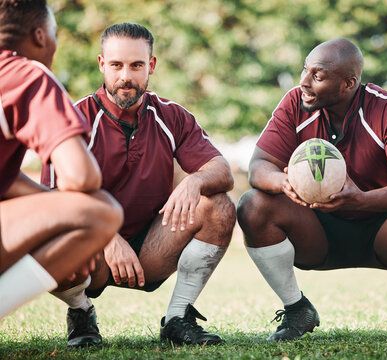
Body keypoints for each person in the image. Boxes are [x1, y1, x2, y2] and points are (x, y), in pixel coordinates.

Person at [42, 23, 236, 347]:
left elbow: (223, 172)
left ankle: (178, 317)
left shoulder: (172, 116)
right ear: (102, 64)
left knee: (218, 206)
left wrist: (195, 182)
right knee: (46, 237)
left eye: (136, 65)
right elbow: (49, 201)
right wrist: (105, 235)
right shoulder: (74, 118)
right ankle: (80, 312)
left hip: (152, 248)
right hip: (93, 252)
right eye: (116, 65)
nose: (126, 76)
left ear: (152, 66)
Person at [237, 38, 387, 341]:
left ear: (348, 83)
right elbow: (260, 165)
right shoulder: (294, 103)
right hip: (317, 231)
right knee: (253, 204)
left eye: (318, 75)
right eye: (305, 70)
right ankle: (296, 308)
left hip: (385, 230)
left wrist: (361, 200)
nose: (303, 81)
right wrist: (284, 183)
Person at [0, 0, 123, 321]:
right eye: (55, 33)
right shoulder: (23, 73)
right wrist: (75, 226)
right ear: (40, 36)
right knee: (100, 212)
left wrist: (58, 219)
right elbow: (81, 177)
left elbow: (6, 180)